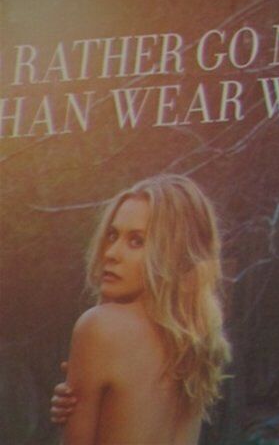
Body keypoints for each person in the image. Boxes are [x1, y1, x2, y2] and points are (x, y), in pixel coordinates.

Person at [56, 175, 229, 445]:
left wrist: (69, 414)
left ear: (174, 254)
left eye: (136, 241)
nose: (112, 252)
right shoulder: (194, 342)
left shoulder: (101, 327)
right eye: (112, 235)